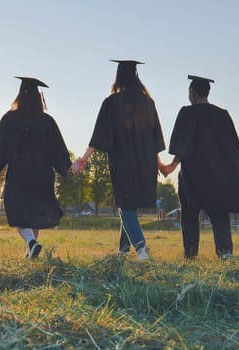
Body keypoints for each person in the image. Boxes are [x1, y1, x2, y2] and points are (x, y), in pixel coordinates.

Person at [72, 60, 165, 260]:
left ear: (118, 77)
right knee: (130, 205)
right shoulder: (148, 103)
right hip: (146, 162)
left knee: (125, 206)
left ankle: (142, 249)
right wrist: (158, 163)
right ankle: (122, 253)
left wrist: (84, 159)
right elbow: (155, 137)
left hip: (124, 162)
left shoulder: (112, 102)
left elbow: (99, 135)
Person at [162, 75, 239, 259]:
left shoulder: (187, 113)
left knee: (189, 214)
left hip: (193, 174)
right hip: (219, 175)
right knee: (219, 213)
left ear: (192, 93)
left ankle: (190, 254)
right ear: (207, 92)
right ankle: (225, 252)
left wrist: (171, 166)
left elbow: (182, 146)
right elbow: (233, 148)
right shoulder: (222, 114)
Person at [0, 77, 71, 259]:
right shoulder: (47, 121)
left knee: (18, 211)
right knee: (35, 213)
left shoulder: (9, 118)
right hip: (42, 175)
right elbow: (58, 148)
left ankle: (31, 242)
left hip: (19, 173)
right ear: (38, 98)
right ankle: (31, 252)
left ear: (19, 96)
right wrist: (66, 167)